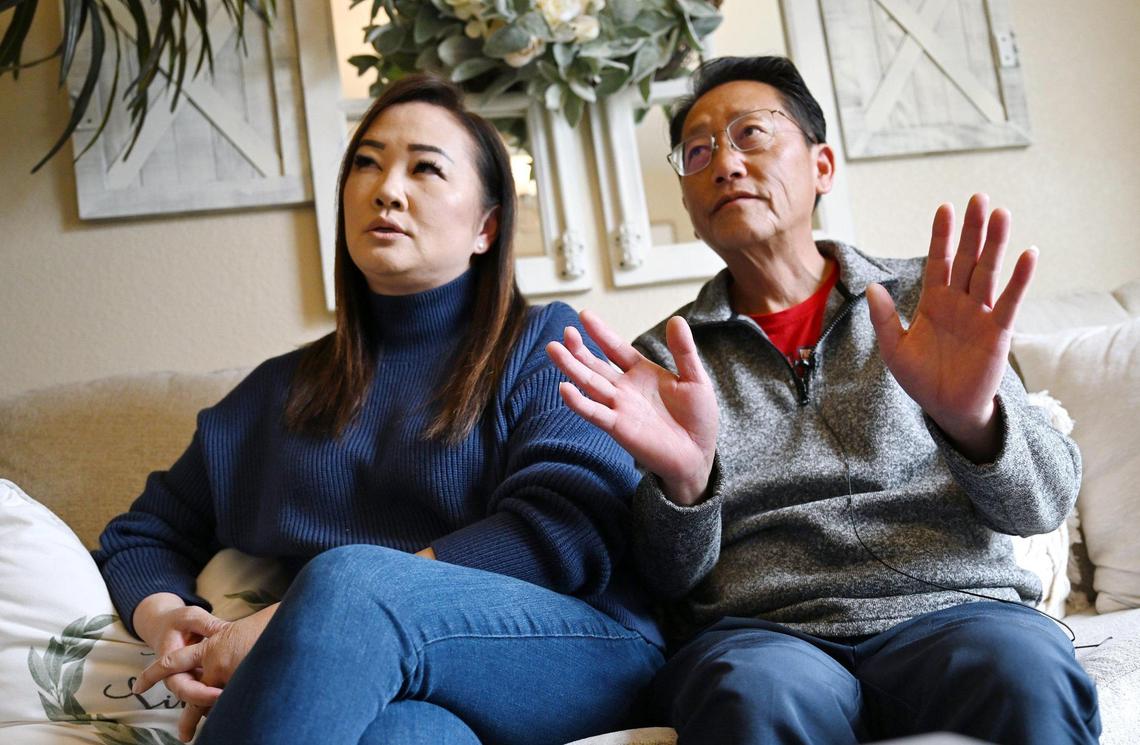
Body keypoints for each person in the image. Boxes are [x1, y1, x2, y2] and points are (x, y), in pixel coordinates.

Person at [94, 75, 663, 745]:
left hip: (577, 645)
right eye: (366, 162)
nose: (386, 188)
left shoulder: (546, 343)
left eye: (425, 167)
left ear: (486, 228)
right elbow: (144, 531)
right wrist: (170, 620)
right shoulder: (281, 390)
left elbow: (566, 530)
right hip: (394, 671)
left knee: (349, 581)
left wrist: (297, 620)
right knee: (408, 734)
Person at [546, 56, 1100, 744]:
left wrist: (973, 419)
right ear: (690, 205)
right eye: (698, 151)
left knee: (1027, 674)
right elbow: (666, 579)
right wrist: (685, 487)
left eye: (751, 133)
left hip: (957, 612)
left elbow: (1040, 505)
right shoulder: (661, 362)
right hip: (768, 637)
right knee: (748, 697)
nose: (724, 163)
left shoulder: (929, 303)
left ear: (823, 166)